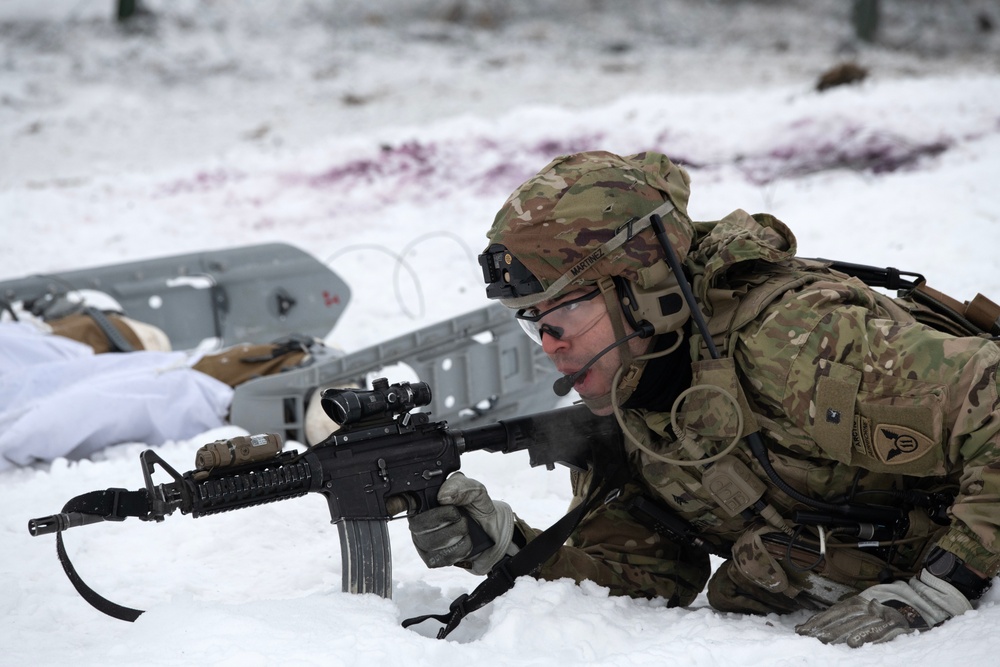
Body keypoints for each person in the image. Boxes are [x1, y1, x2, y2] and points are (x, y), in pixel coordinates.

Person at [407, 150, 1000, 647]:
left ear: (644, 287)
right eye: (532, 323)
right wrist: (506, 545)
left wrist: (946, 581)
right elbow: (645, 574)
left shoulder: (792, 345)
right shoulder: (636, 399)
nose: (548, 345)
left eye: (562, 313)